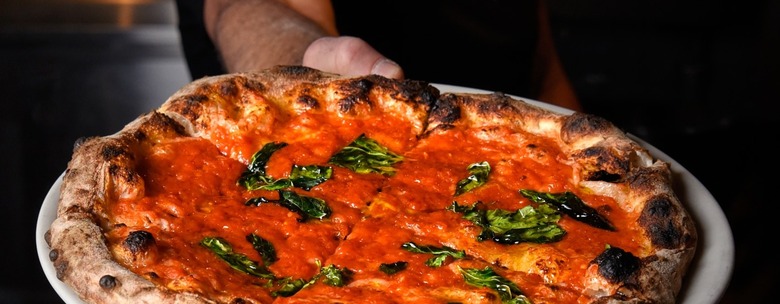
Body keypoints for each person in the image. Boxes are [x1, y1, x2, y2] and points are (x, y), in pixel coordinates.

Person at [175, 0, 581, 110]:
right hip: (335, 182)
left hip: (515, 167)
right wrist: (306, 82)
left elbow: (536, 53)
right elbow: (249, 7)